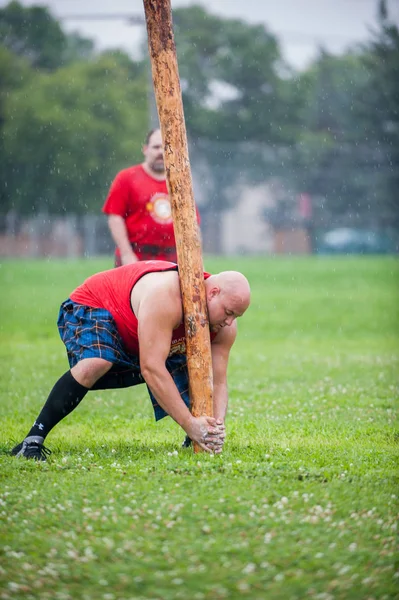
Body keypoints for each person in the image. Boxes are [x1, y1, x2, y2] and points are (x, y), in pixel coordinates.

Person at [12, 261, 251, 460]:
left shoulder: (225, 327)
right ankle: (32, 440)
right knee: (96, 362)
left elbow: (217, 380)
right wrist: (189, 422)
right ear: (213, 292)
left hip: (135, 335)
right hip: (95, 305)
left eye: (237, 316)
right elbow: (151, 368)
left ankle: (196, 438)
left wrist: (215, 427)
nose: (230, 322)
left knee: (192, 362)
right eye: (229, 313)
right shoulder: (168, 297)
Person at [103, 129, 201, 266]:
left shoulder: (181, 183)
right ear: (145, 149)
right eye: (156, 147)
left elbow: (192, 224)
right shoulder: (127, 178)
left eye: (166, 148)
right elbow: (115, 217)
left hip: (173, 258)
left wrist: (195, 258)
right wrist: (126, 254)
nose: (161, 152)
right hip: (137, 256)